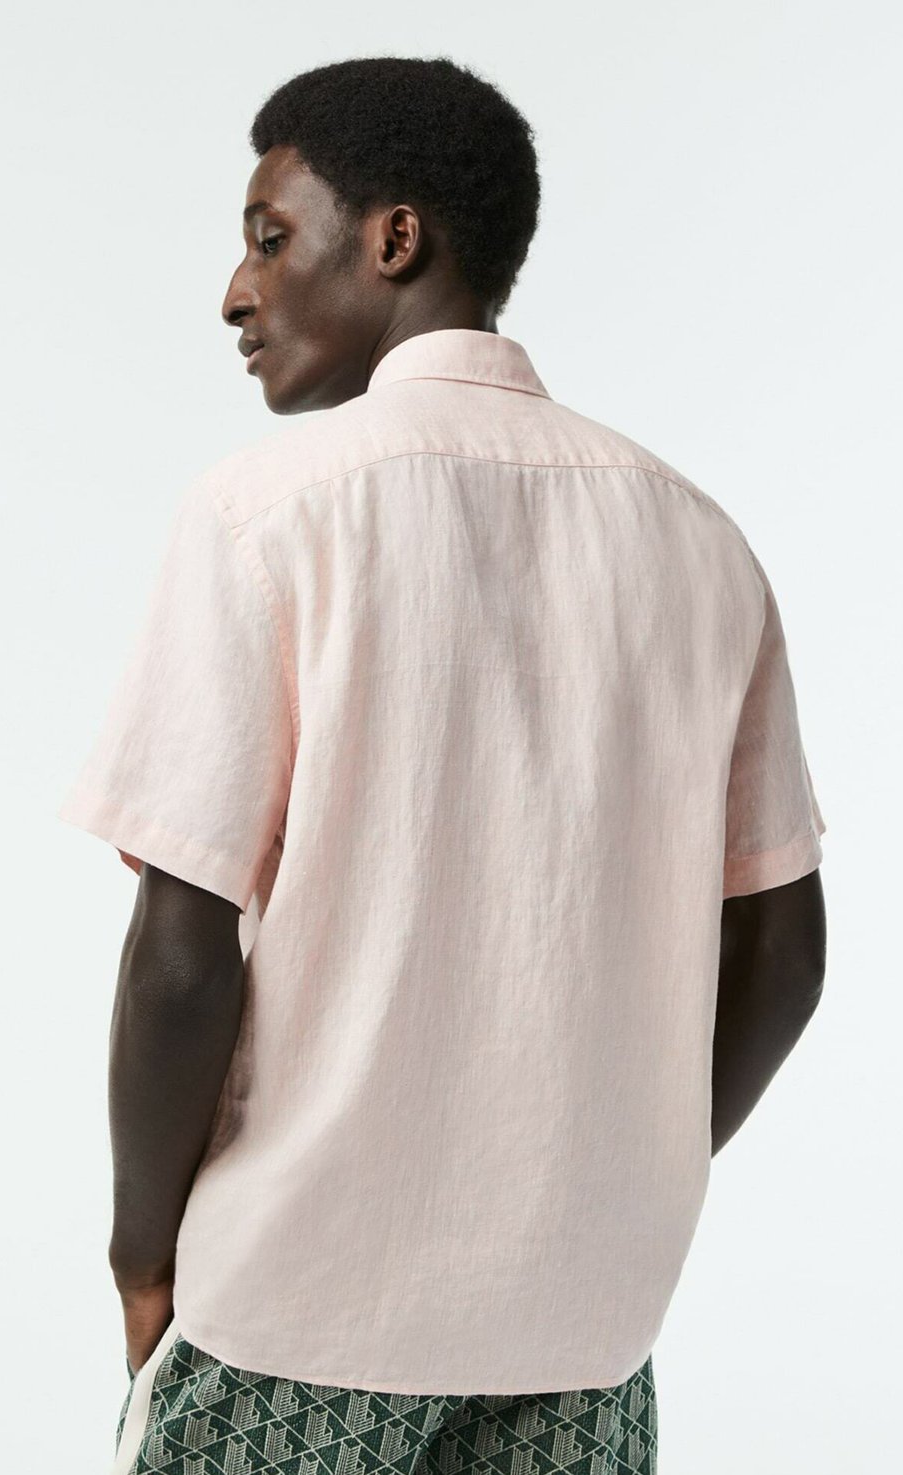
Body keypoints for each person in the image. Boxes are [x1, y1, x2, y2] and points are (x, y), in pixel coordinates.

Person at [58, 55, 828, 1475]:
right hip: (582, 1334)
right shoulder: (701, 544)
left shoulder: (268, 515)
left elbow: (181, 955)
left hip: (291, 1316)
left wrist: (140, 1257)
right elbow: (783, 952)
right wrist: (612, 1181)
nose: (236, 292)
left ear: (395, 239)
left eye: (269, 238)